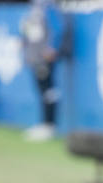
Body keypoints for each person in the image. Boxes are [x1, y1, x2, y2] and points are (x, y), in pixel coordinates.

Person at [19, 0, 63, 141]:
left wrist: (52, 47)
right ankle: (44, 123)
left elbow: (58, 29)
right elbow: (27, 29)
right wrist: (23, 40)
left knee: (48, 91)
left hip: (44, 59)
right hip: (34, 57)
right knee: (41, 91)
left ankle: (49, 125)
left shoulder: (49, 9)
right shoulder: (33, 10)